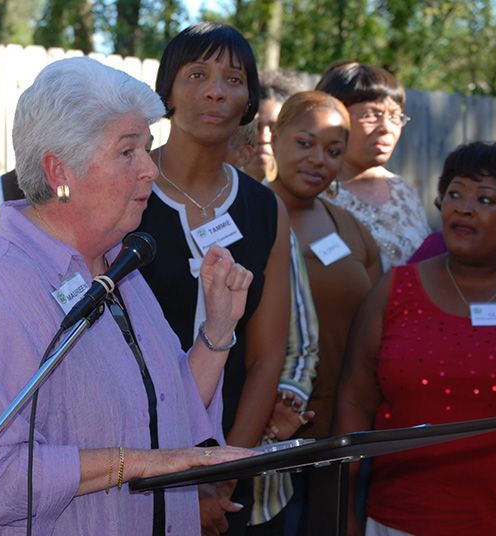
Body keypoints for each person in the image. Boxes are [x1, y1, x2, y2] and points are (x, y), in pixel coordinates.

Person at [0, 56, 255, 535]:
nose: (150, 170)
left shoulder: (120, 266)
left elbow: (167, 409)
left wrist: (218, 331)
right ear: (59, 171)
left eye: (147, 148)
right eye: (128, 152)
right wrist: (136, 464)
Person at [134, 23, 291, 535]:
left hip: (232, 471)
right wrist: (172, 477)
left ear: (249, 100)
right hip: (130, 463)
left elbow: (267, 356)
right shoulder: (127, 191)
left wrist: (225, 474)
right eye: (197, 74)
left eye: (234, 78)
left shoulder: (265, 207)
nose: (216, 90)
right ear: (167, 91)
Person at [333, 141, 496, 536]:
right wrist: (343, 506)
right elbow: (354, 399)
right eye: (454, 193)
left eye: (485, 199)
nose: (463, 208)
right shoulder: (395, 289)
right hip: (400, 518)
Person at [268, 90, 382, 532]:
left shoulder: (350, 228)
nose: (319, 159)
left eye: (333, 150)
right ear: (275, 138)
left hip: (346, 436)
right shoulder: (244, 217)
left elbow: (377, 334)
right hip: (271, 440)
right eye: (305, 143)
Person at [226, 76, 320, 533]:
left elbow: (300, 344)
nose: (261, 141)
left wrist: (268, 424)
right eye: (254, 129)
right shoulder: (151, 209)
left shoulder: (268, 216)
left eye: (271, 129)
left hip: (262, 489)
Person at [315, 61, 430, 270]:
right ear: (334, 117)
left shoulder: (405, 193)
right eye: (371, 115)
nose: (386, 127)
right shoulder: (315, 192)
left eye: (395, 116)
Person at [228, 69, 306, 182]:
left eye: (275, 127)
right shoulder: (217, 192)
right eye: (255, 127)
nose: (264, 138)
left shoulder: (308, 194)